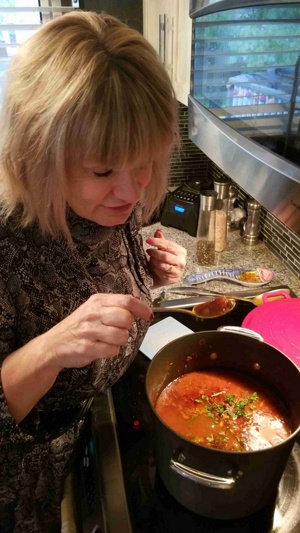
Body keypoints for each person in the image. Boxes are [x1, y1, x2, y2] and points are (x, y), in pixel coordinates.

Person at [0, 10, 187, 532]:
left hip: (85, 439)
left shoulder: (111, 206)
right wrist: (50, 348)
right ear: (39, 155)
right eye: (103, 171)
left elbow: (101, 266)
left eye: (145, 161)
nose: (131, 193)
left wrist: (146, 270)